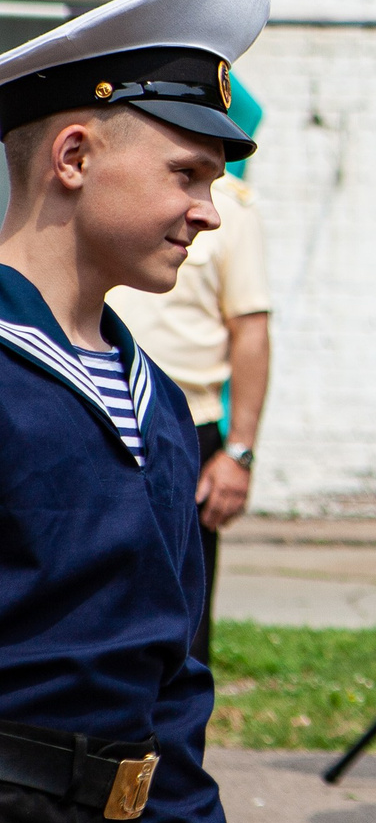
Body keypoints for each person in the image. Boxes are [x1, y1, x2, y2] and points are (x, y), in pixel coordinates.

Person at [0, 0, 266, 823]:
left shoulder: (154, 400)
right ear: (73, 158)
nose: (209, 208)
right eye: (188, 173)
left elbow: (168, 673)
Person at [106, 147, 271, 669]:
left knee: (179, 623)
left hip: (185, 431)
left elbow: (251, 331)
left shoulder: (231, 211)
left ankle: (173, 751)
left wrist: (239, 452)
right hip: (93, 412)